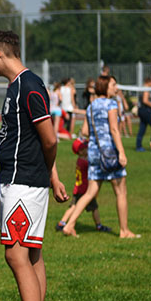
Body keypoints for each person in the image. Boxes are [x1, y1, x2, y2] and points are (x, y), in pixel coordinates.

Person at [0, 30, 68, 301]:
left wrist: (48, 173)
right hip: (22, 179)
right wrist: (52, 176)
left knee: (16, 254)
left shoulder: (29, 85)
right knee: (32, 255)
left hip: (24, 181)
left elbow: (49, 139)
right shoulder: (17, 86)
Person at [60, 75, 139, 239]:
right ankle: (124, 231)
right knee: (121, 192)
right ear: (105, 87)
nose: (115, 88)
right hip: (109, 153)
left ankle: (70, 224)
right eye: (113, 85)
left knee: (90, 192)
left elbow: (85, 131)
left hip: (94, 153)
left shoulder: (91, 106)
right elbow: (114, 129)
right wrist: (122, 152)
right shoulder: (111, 104)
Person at [56, 138, 111, 234]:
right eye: (85, 148)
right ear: (80, 151)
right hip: (85, 190)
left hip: (78, 188)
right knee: (94, 208)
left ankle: (62, 223)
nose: (88, 149)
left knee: (73, 207)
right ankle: (99, 225)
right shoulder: (85, 162)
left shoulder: (79, 160)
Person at [135, 77, 151, 152]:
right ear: (150, 82)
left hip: (142, 110)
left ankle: (138, 146)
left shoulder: (143, 88)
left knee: (142, 127)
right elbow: (145, 100)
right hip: (145, 111)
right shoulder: (146, 88)